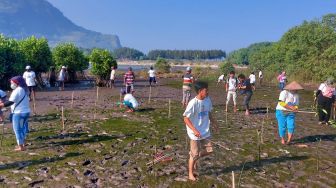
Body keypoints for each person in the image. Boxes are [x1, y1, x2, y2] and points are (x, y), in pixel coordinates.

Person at [183, 81, 218, 181]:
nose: (208, 92)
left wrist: (214, 123)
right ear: (200, 91)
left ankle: (194, 156)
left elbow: (209, 113)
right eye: (206, 90)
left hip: (205, 131)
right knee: (194, 155)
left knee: (209, 150)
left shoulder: (208, 100)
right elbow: (185, 118)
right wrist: (194, 130)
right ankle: (190, 173)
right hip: (194, 134)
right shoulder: (193, 103)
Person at [0, 76, 31, 151]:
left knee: (17, 130)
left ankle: (21, 147)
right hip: (25, 112)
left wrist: (1, 105)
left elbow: (10, 102)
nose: (11, 84)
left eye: (12, 83)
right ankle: (22, 143)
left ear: (17, 83)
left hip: (18, 113)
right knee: (22, 128)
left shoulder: (17, 90)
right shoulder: (24, 89)